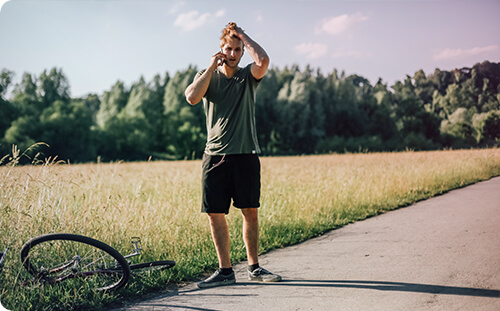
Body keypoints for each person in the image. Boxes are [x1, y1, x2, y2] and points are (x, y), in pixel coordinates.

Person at [185, 22, 282, 288]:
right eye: (228, 48)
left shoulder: (247, 76)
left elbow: (263, 60)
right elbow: (192, 98)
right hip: (214, 156)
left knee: (249, 211)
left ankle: (254, 267)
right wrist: (210, 67)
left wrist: (243, 36)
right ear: (220, 49)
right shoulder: (207, 76)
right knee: (216, 214)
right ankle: (225, 271)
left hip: (245, 154)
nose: (233, 52)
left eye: (237, 49)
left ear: (241, 52)